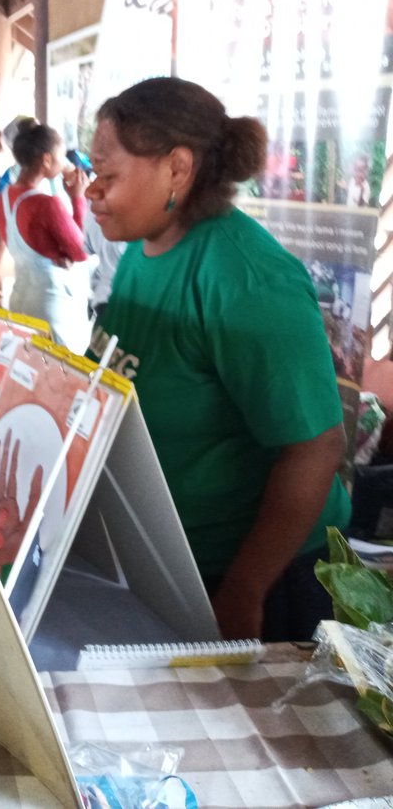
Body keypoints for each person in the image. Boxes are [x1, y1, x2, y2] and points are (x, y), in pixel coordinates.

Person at [84, 77, 351, 642]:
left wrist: (244, 589)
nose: (91, 191)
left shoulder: (245, 280)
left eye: (107, 176)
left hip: (260, 579)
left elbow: (316, 447)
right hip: (170, 560)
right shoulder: (141, 250)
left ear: (177, 170)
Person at [0, 119, 92, 351]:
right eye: (61, 155)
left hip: (21, 296)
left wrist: (56, 251)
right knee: (59, 368)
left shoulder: (5, 196)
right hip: (52, 306)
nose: (65, 162)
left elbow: (29, 241)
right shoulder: (47, 203)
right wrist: (78, 198)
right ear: (47, 159)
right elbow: (81, 251)